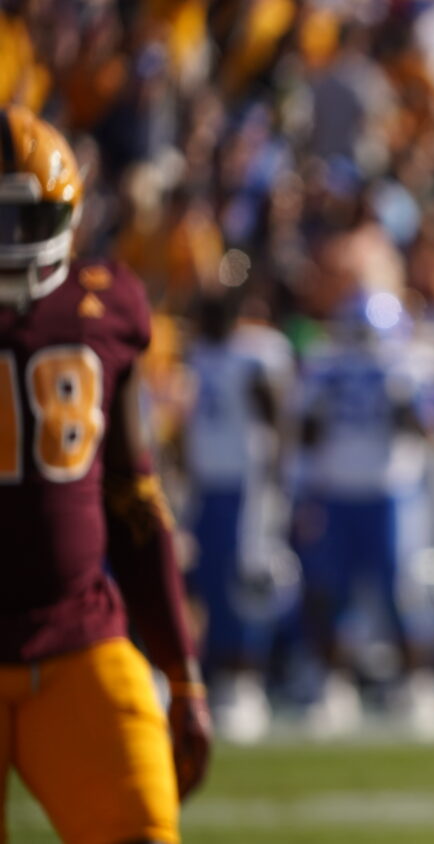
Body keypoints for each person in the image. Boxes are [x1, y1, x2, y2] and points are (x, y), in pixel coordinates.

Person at [0, 106, 211, 842]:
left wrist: (181, 671)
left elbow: (133, 496)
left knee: (144, 831)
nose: (10, 246)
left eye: (24, 223)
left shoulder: (104, 303)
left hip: (77, 640)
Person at [295, 288, 434, 740]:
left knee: (401, 592)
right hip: (336, 490)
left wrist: (406, 403)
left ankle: (420, 685)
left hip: (391, 491)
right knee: (331, 591)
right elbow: (305, 434)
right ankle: (333, 686)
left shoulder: (414, 365)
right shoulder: (325, 366)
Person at [181, 285, 285, 744]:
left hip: (245, 483)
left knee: (244, 580)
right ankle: (212, 675)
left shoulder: (252, 359)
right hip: (207, 484)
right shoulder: (195, 357)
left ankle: (246, 679)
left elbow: (274, 420)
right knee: (205, 581)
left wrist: (276, 477)